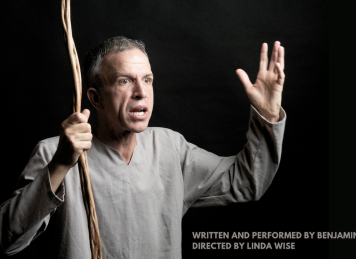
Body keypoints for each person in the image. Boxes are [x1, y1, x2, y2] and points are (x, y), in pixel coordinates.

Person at [0, 36, 286, 258]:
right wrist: (61, 165)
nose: (141, 91)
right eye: (125, 80)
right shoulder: (54, 153)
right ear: (95, 98)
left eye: (147, 80)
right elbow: (8, 241)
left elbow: (248, 181)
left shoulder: (170, 148)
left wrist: (268, 116)